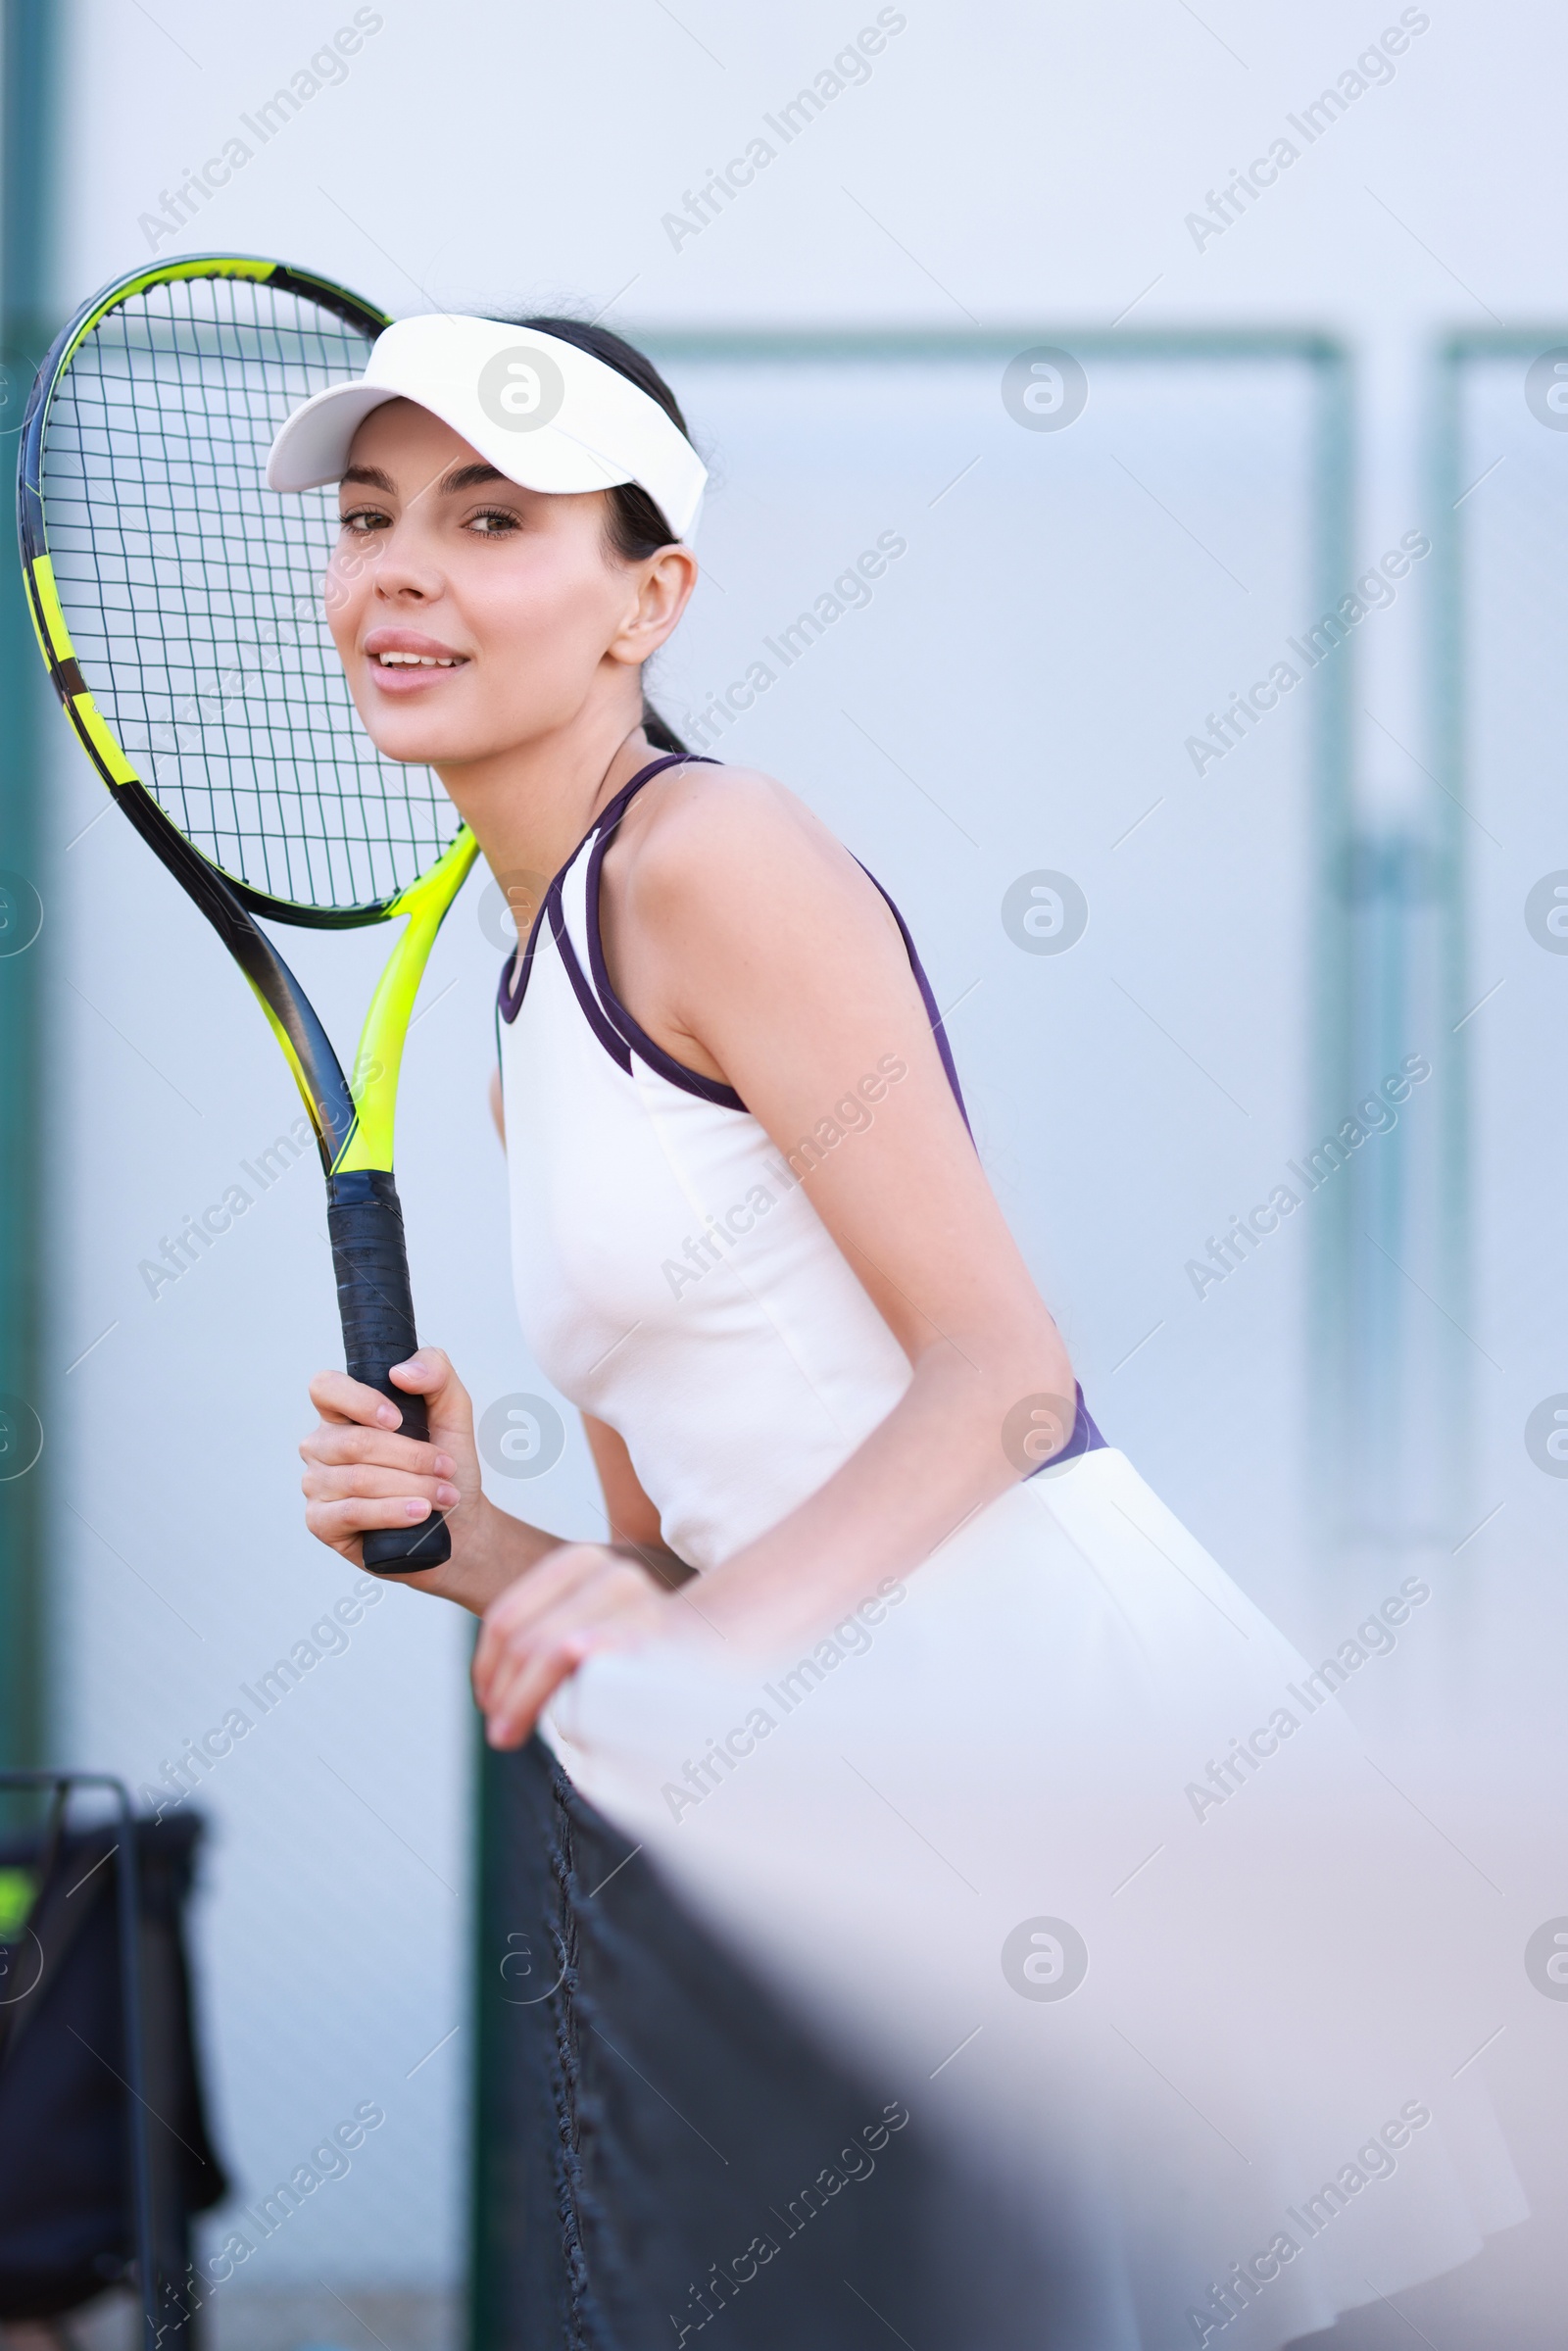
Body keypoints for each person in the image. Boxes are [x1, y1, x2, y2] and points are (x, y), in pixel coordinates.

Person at [280, 315, 1525, 2348]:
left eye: (490, 519)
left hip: (1075, 1758)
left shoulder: (709, 858)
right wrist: (469, 1541)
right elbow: (687, 1557)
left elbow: (999, 1375)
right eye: (367, 519)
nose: (400, 572)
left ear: (645, 599)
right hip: (870, 1817)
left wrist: (691, 1650)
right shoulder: (529, 1022)